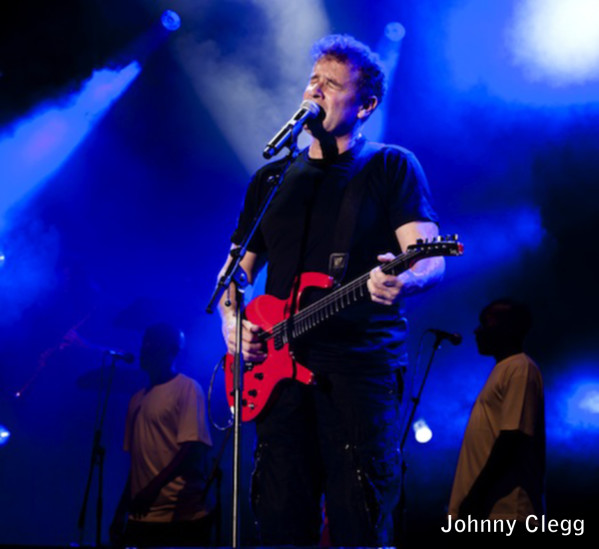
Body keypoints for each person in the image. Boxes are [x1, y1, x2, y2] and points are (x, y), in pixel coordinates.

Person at [217, 34, 445, 546]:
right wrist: (232, 322)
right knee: (280, 518)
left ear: (365, 105)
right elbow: (233, 274)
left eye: (332, 85)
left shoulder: (390, 167)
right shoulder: (273, 179)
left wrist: (404, 280)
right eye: (313, 80)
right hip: (278, 377)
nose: (315, 91)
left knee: (357, 521)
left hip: (358, 372)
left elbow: (429, 257)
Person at [446, 298, 545, 541]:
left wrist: (475, 497)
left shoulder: (521, 368)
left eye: (486, 323)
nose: (477, 331)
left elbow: (513, 439)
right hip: (488, 512)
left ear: (508, 328)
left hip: (506, 513)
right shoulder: (504, 369)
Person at [109, 322, 214, 547]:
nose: (144, 349)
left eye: (152, 344)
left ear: (172, 350)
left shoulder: (187, 388)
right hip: (142, 514)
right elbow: (136, 465)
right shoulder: (136, 399)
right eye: (144, 343)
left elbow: (192, 451)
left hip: (181, 516)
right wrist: (122, 511)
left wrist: (151, 490)